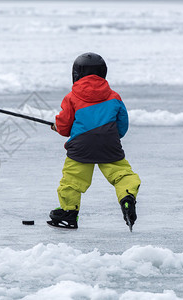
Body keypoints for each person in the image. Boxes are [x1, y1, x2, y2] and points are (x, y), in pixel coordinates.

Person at [48, 52, 141, 229]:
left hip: (81, 147)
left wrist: (57, 127)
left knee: (73, 180)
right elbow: (122, 124)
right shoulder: (114, 97)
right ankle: (127, 198)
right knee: (122, 174)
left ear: (76, 73)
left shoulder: (72, 97)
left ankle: (69, 213)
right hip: (109, 145)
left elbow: (65, 125)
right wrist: (112, 137)